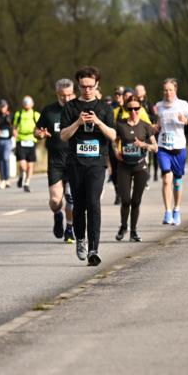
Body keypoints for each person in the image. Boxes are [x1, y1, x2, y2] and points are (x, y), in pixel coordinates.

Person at [60, 66, 116, 266]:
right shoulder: (70, 107)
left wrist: (98, 123)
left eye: (90, 86)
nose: (87, 90)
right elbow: (63, 135)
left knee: (93, 204)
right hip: (75, 164)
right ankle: (80, 239)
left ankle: (94, 249)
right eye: (83, 86)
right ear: (78, 85)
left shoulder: (105, 109)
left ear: (97, 84)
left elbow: (113, 135)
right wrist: (77, 123)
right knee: (79, 206)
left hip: (97, 164)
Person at [34, 79, 76, 242]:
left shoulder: (78, 110)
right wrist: (40, 135)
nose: (66, 98)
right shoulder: (49, 111)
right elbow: (37, 131)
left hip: (74, 161)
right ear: (57, 94)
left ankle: (70, 229)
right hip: (56, 162)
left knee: (71, 198)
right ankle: (58, 215)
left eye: (69, 95)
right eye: (63, 95)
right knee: (55, 201)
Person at [153, 78, 188, 226]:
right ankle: (167, 212)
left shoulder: (183, 104)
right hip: (163, 148)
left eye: (170, 90)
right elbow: (158, 123)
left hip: (179, 148)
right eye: (165, 90)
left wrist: (186, 120)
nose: (168, 93)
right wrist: (156, 127)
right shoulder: (159, 106)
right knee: (167, 179)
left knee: (177, 182)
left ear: (175, 90)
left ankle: (176, 209)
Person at [114, 100, 158, 241]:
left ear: (140, 109)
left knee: (136, 201)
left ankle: (133, 232)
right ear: (127, 110)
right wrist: (116, 151)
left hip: (140, 166)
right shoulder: (120, 124)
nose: (133, 111)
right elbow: (114, 140)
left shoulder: (146, 126)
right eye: (130, 109)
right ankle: (123, 226)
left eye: (136, 108)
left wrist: (143, 144)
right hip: (124, 166)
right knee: (125, 200)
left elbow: (155, 147)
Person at [13, 95, 40, 192]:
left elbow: (40, 127)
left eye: (28, 102)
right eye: (25, 102)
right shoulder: (18, 114)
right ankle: (21, 175)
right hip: (21, 140)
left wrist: (39, 134)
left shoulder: (36, 115)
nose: (26, 104)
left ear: (32, 104)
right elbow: (15, 127)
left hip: (32, 140)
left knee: (30, 165)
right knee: (22, 164)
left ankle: (27, 183)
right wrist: (15, 134)